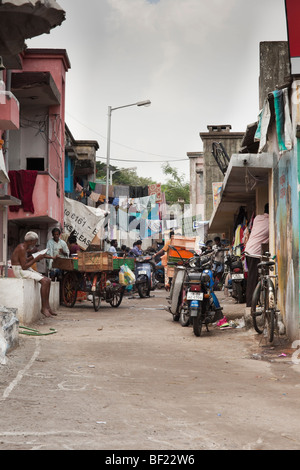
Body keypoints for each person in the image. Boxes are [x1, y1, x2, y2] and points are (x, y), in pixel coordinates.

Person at [11, 231, 57, 318]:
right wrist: (36, 259)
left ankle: (47, 307)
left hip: (23, 268)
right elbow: (24, 266)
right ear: (30, 241)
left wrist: (34, 256)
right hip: (20, 270)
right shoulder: (21, 248)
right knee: (44, 281)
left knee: (48, 280)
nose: (35, 244)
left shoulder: (23, 247)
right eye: (35, 242)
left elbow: (25, 261)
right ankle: (43, 308)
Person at [245, 203, 269, 307]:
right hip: (255, 253)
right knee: (253, 278)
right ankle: (251, 304)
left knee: (252, 277)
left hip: (248, 250)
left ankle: (254, 301)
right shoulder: (270, 223)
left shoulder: (258, 218)